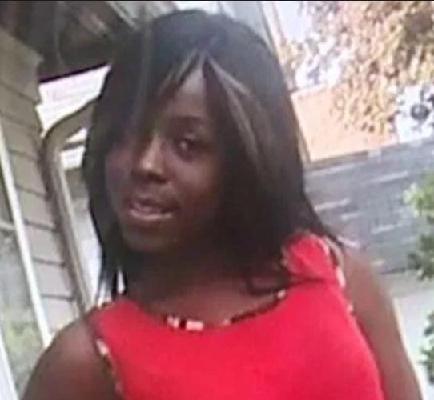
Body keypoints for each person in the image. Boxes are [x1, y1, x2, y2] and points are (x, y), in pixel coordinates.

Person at [24, 10, 421, 400]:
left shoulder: (341, 280)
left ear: (248, 160)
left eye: (187, 145)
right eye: (125, 135)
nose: (145, 164)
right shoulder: (86, 364)